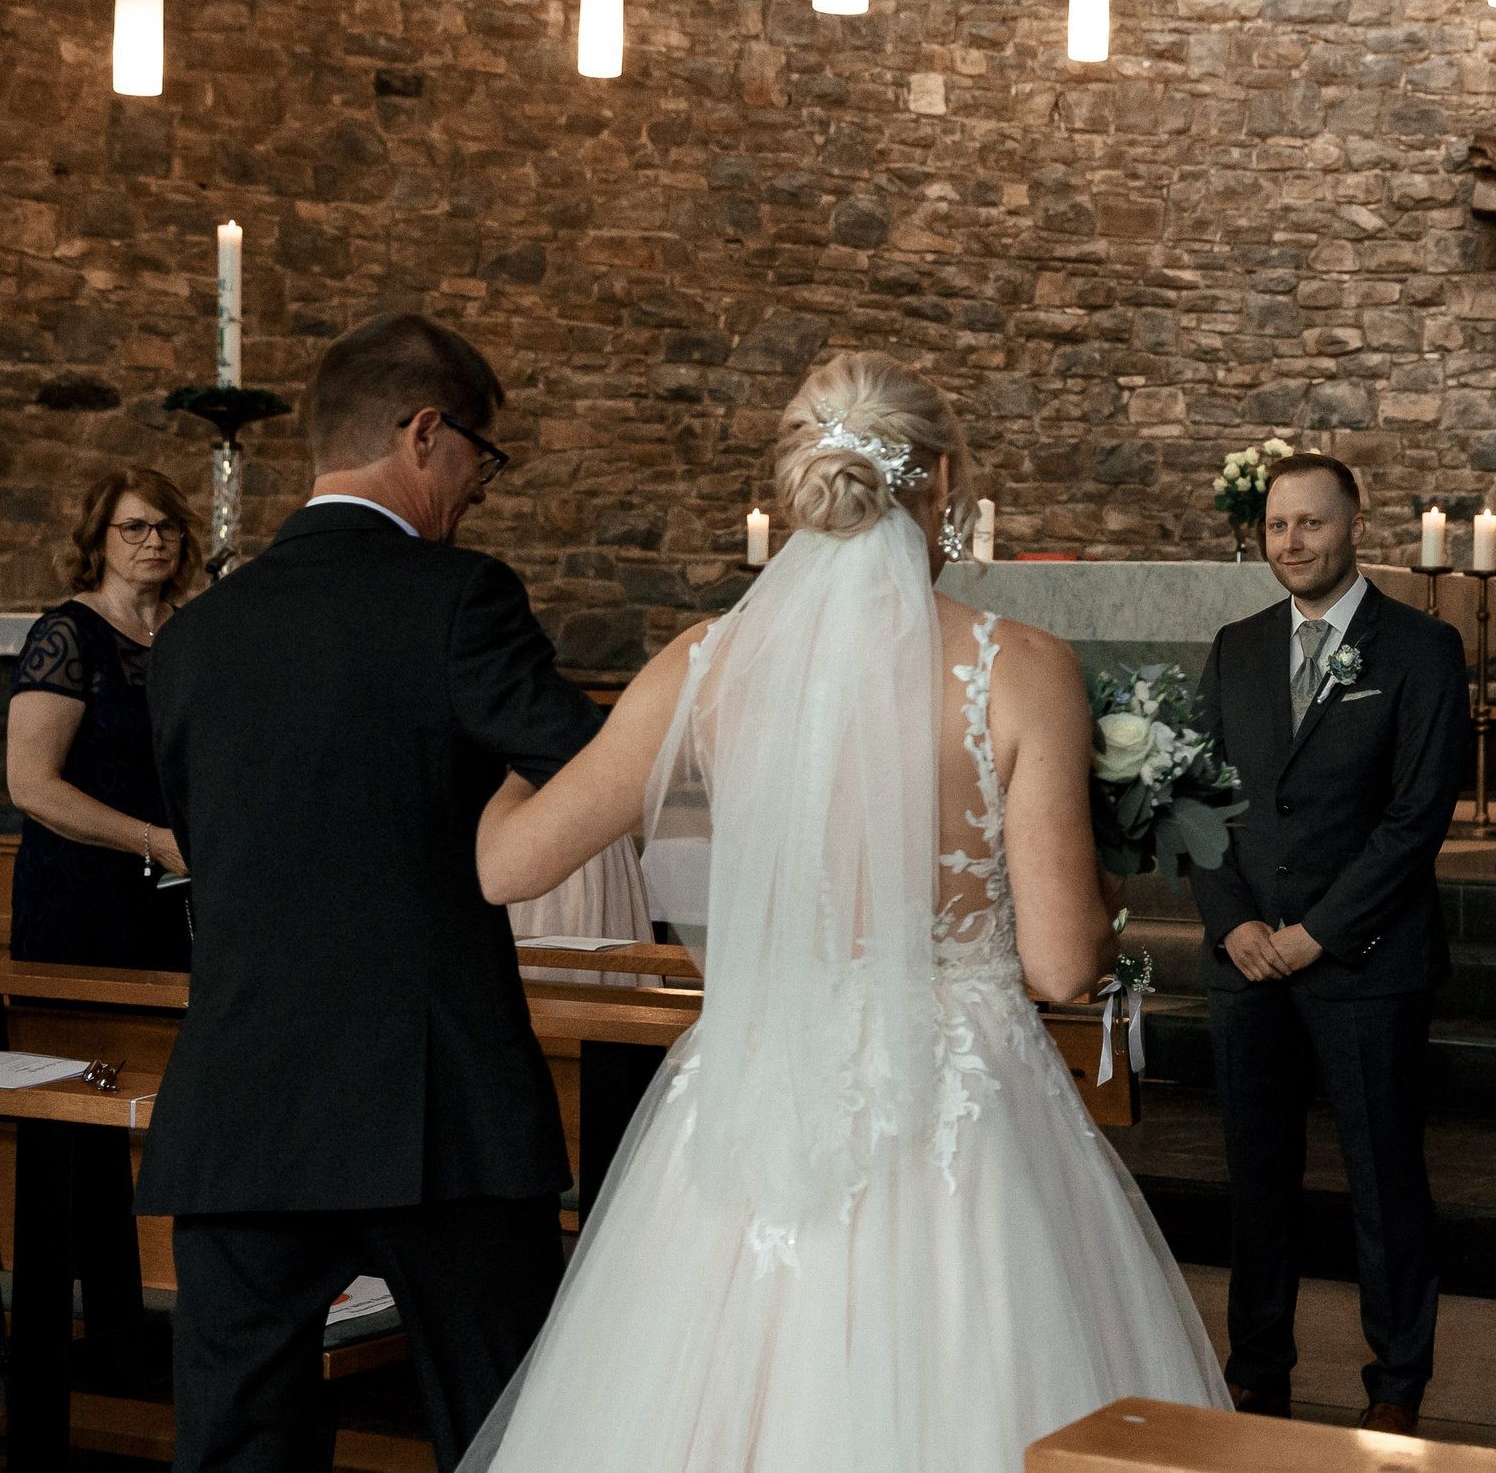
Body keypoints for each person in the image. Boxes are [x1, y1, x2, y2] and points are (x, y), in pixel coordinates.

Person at [458, 351, 1226, 1473]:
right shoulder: (1017, 669)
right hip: (958, 1112)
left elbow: (507, 868)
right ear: (945, 483)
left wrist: (515, 751)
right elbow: (1064, 965)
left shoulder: (701, 666)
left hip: (754, 1100)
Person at [141, 311, 604, 1473]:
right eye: (478, 461)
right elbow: (587, 767)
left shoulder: (193, 636)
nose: (476, 493)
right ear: (423, 431)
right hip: (434, 1103)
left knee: (241, 1446)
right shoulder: (457, 597)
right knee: (505, 1432)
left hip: (243, 1098)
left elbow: (212, 840)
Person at [1186, 452, 1469, 1436]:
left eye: (1311, 524)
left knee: (1382, 1182)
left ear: (1353, 528)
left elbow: (1415, 816)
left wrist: (1317, 933)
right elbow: (1198, 798)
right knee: (1255, 1180)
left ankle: (1396, 1379)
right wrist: (1237, 926)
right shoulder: (1235, 646)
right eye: (1277, 526)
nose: (1292, 543)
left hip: (1366, 962)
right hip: (1249, 963)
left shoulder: (1420, 650)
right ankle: (1258, 1365)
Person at [5, 467, 203, 970]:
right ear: (99, 539)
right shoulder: (67, 635)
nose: (154, 541)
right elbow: (30, 786)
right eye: (134, 528)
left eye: (168, 527)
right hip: (81, 890)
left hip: (176, 886)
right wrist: (151, 841)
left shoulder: (190, 637)